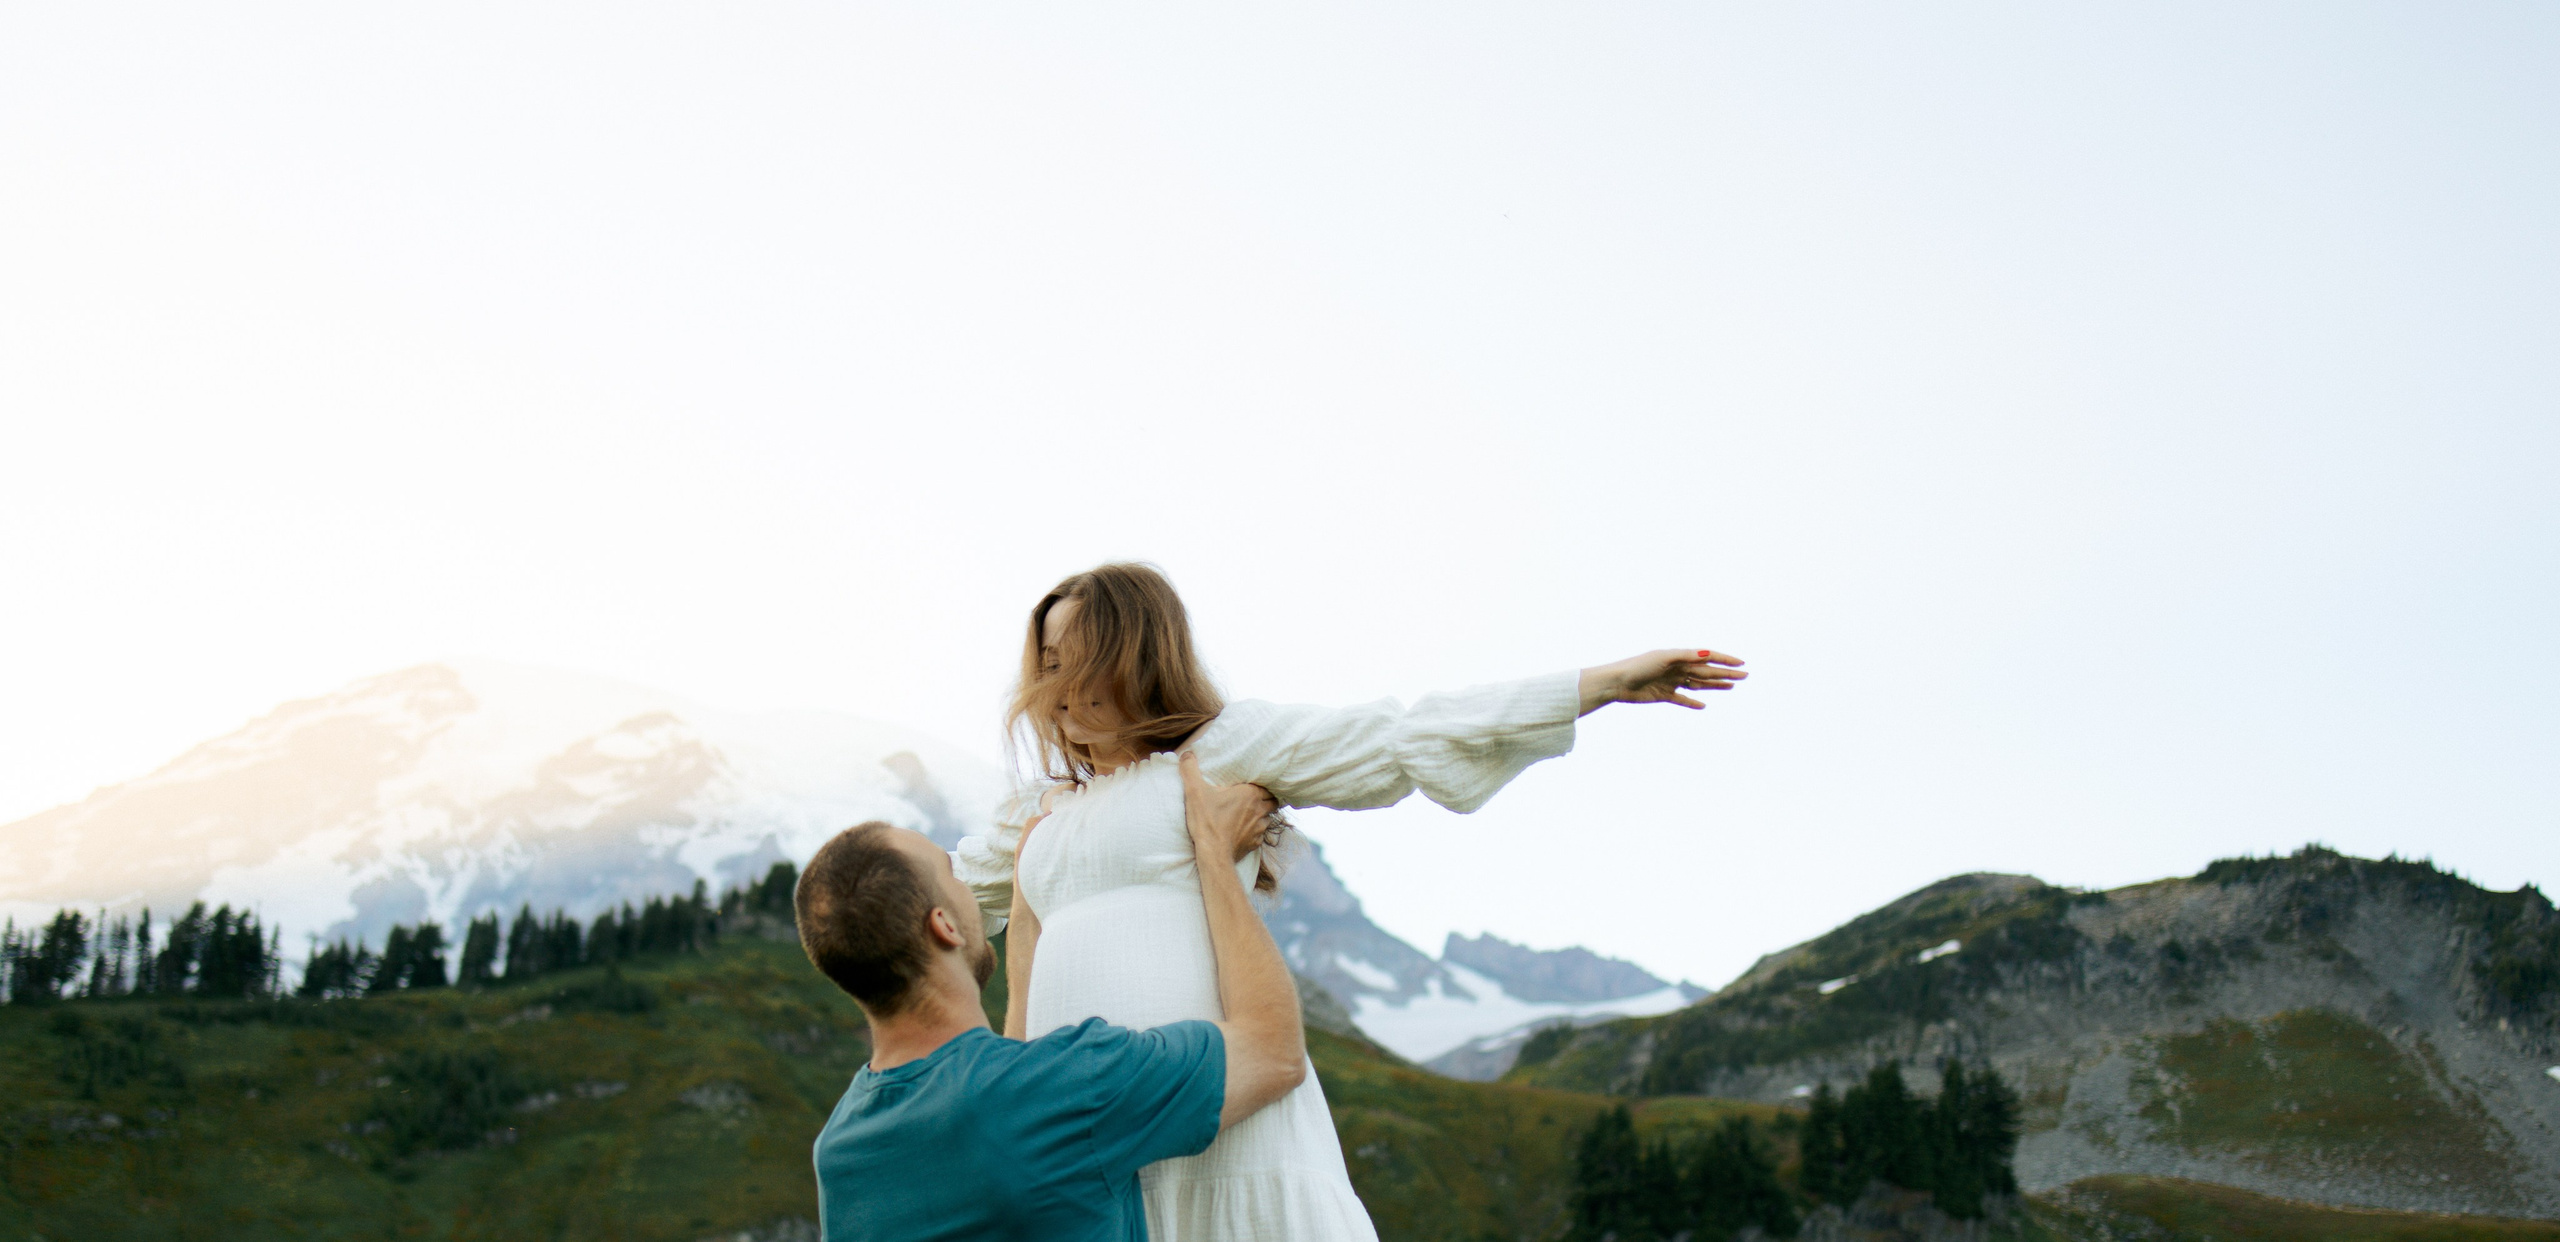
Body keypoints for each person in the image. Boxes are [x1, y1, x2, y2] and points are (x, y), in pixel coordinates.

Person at [957, 562, 1747, 1241]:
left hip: (1220, 1117)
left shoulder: (1220, 751)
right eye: (1045, 663)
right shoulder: (1034, 814)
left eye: (1075, 661)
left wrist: (1600, 684)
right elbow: (926, 904)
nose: (1050, 688)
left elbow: (1398, 735)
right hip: (1090, 1135)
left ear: (1135, 654)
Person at [799, 752, 1307, 1241]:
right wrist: (1215, 856)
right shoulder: (1072, 1083)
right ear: (945, 926)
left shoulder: (841, 1151)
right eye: (952, 875)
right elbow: (1273, 1052)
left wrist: (1025, 927)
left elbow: (994, 1119)